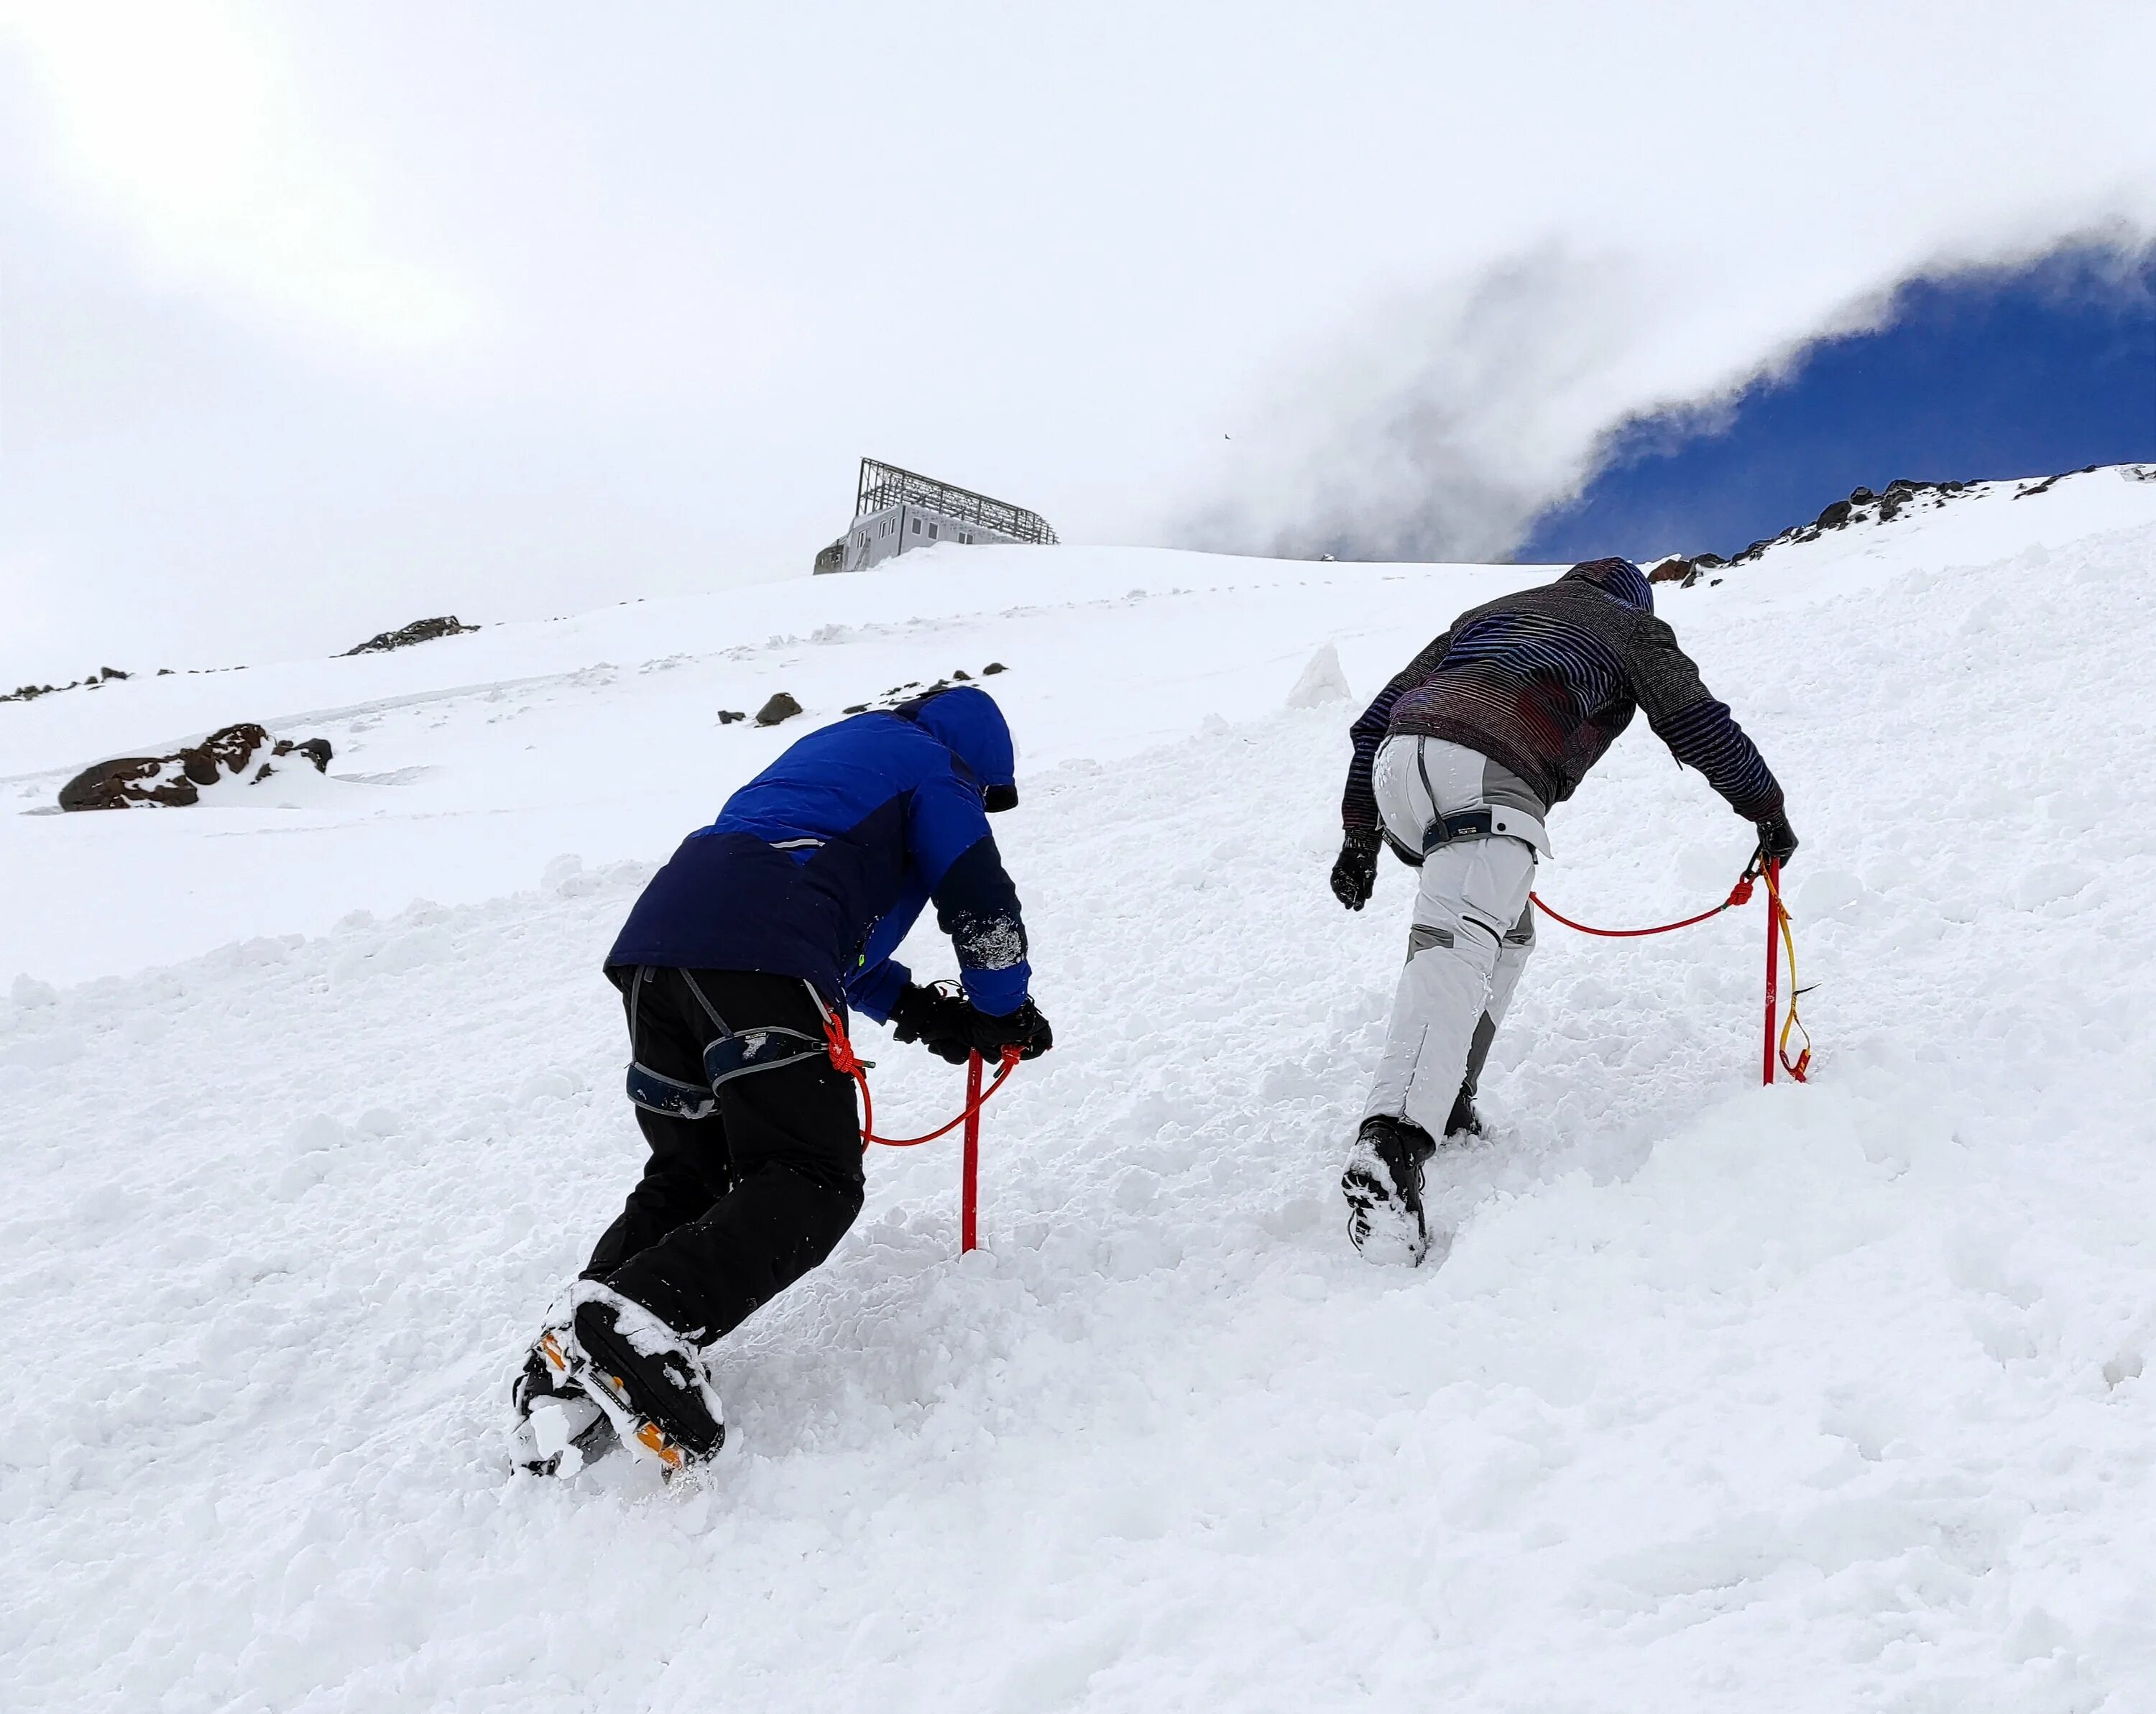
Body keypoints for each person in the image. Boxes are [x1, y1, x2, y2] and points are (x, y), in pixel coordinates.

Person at [512, 685, 1053, 1473]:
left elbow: (837, 938)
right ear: (979, 764)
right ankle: (637, 1322)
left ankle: (565, 1370)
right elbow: (979, 904)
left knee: (693, 1171)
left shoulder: (841, 759)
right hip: (759, 949)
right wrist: (1004, 1009)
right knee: (811, 1177)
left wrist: (923, 1014)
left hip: (657, 952)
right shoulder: (937, 768)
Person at [1327, 557, 1796, 1266]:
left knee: (1504, 934)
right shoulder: (1628, 625)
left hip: (1400, 768)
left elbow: (1373, 721)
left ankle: (1448, 1091)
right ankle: (1392, 1142)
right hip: (1490, 769)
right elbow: (1697, 723)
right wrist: (1767, 810)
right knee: (1459, 938)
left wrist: (1360, 836)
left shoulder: (1492, 613)